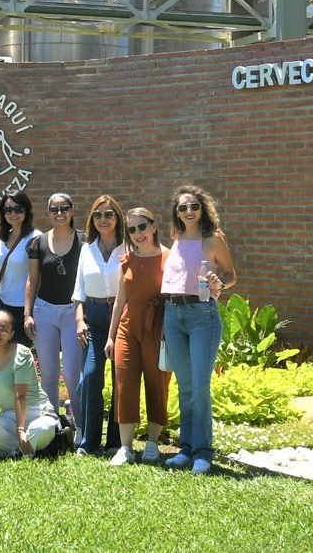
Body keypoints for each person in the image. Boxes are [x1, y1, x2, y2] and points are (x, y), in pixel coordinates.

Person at [160, 186, 235, 475]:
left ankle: (203, 452)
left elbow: (231, 275)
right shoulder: (176, 239)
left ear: (202, 208)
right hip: (173, 314)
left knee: (200, 387)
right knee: (185, 385)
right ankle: (186, 448)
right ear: (176, 213)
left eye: (193, 206)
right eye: (182, 208)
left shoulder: (213, 239)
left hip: (203, 315)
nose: (188, 211)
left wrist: (219, 283)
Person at [104, 207, 172, 466]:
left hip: (158, 325)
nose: (137, 233)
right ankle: (125, 447)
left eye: (142, 227)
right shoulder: (127, 260)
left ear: (154, 226)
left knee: (158, 383)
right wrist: (111, 337)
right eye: (131, 230)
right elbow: (120, 301)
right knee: (125, 384)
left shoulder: (169, 257)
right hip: (128, 326)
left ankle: (153, 444)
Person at [72, 195, 125, 456]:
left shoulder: (128, 248)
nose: (103, 219)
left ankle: (114, 441)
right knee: (91, 376)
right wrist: (79, 320)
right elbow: (79, 291)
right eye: (98, 215)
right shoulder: (86, 248)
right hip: (92, 318)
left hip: (122, 317)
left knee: (120, 379)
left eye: (109, 214)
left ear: (117, 218)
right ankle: (89, 442)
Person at [24, 192, 83, 420]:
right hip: (44, 311)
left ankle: (80, 426)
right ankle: (52, 425)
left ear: (72, 210)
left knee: (71, 375)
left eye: (64, 208)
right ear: (48, 213)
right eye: (54, 209)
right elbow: (32, 280)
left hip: (72, 312)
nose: (60, 213)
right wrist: (27, 314)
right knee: (48, 374)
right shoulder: (37, 243)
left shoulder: (84, 240)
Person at [0, 310, 59, 457]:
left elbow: (21, 396)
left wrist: (20, 430)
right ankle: (25, 450)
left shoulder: (22, 353)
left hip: (36, 412)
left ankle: (12, 450)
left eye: (2, 329)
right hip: (9, 417)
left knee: (45, 427)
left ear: (11, 334)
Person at [0, 191, 39, 346]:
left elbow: (35, 277)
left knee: (20, 353)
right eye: (8, 210)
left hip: (23, 307)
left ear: (26, 210)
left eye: (18, 209)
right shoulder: (3, 236)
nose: (13, 214)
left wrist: (27, 314)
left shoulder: (35, 237)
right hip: (2, 304)